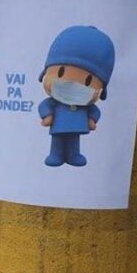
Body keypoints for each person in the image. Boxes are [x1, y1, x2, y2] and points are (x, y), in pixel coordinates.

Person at [37, 25, 116, 167]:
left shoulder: (86, 106)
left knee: (74, 142)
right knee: (57, 142)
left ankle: (73, 155)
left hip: (76, 127)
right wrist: (47, 116)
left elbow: (94, 111)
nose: (71, 84)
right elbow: (46, 105)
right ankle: (55, 154)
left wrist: (92, 120)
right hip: (59, 127)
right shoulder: (54, 102)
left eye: (88, 81)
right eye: (60, 73)